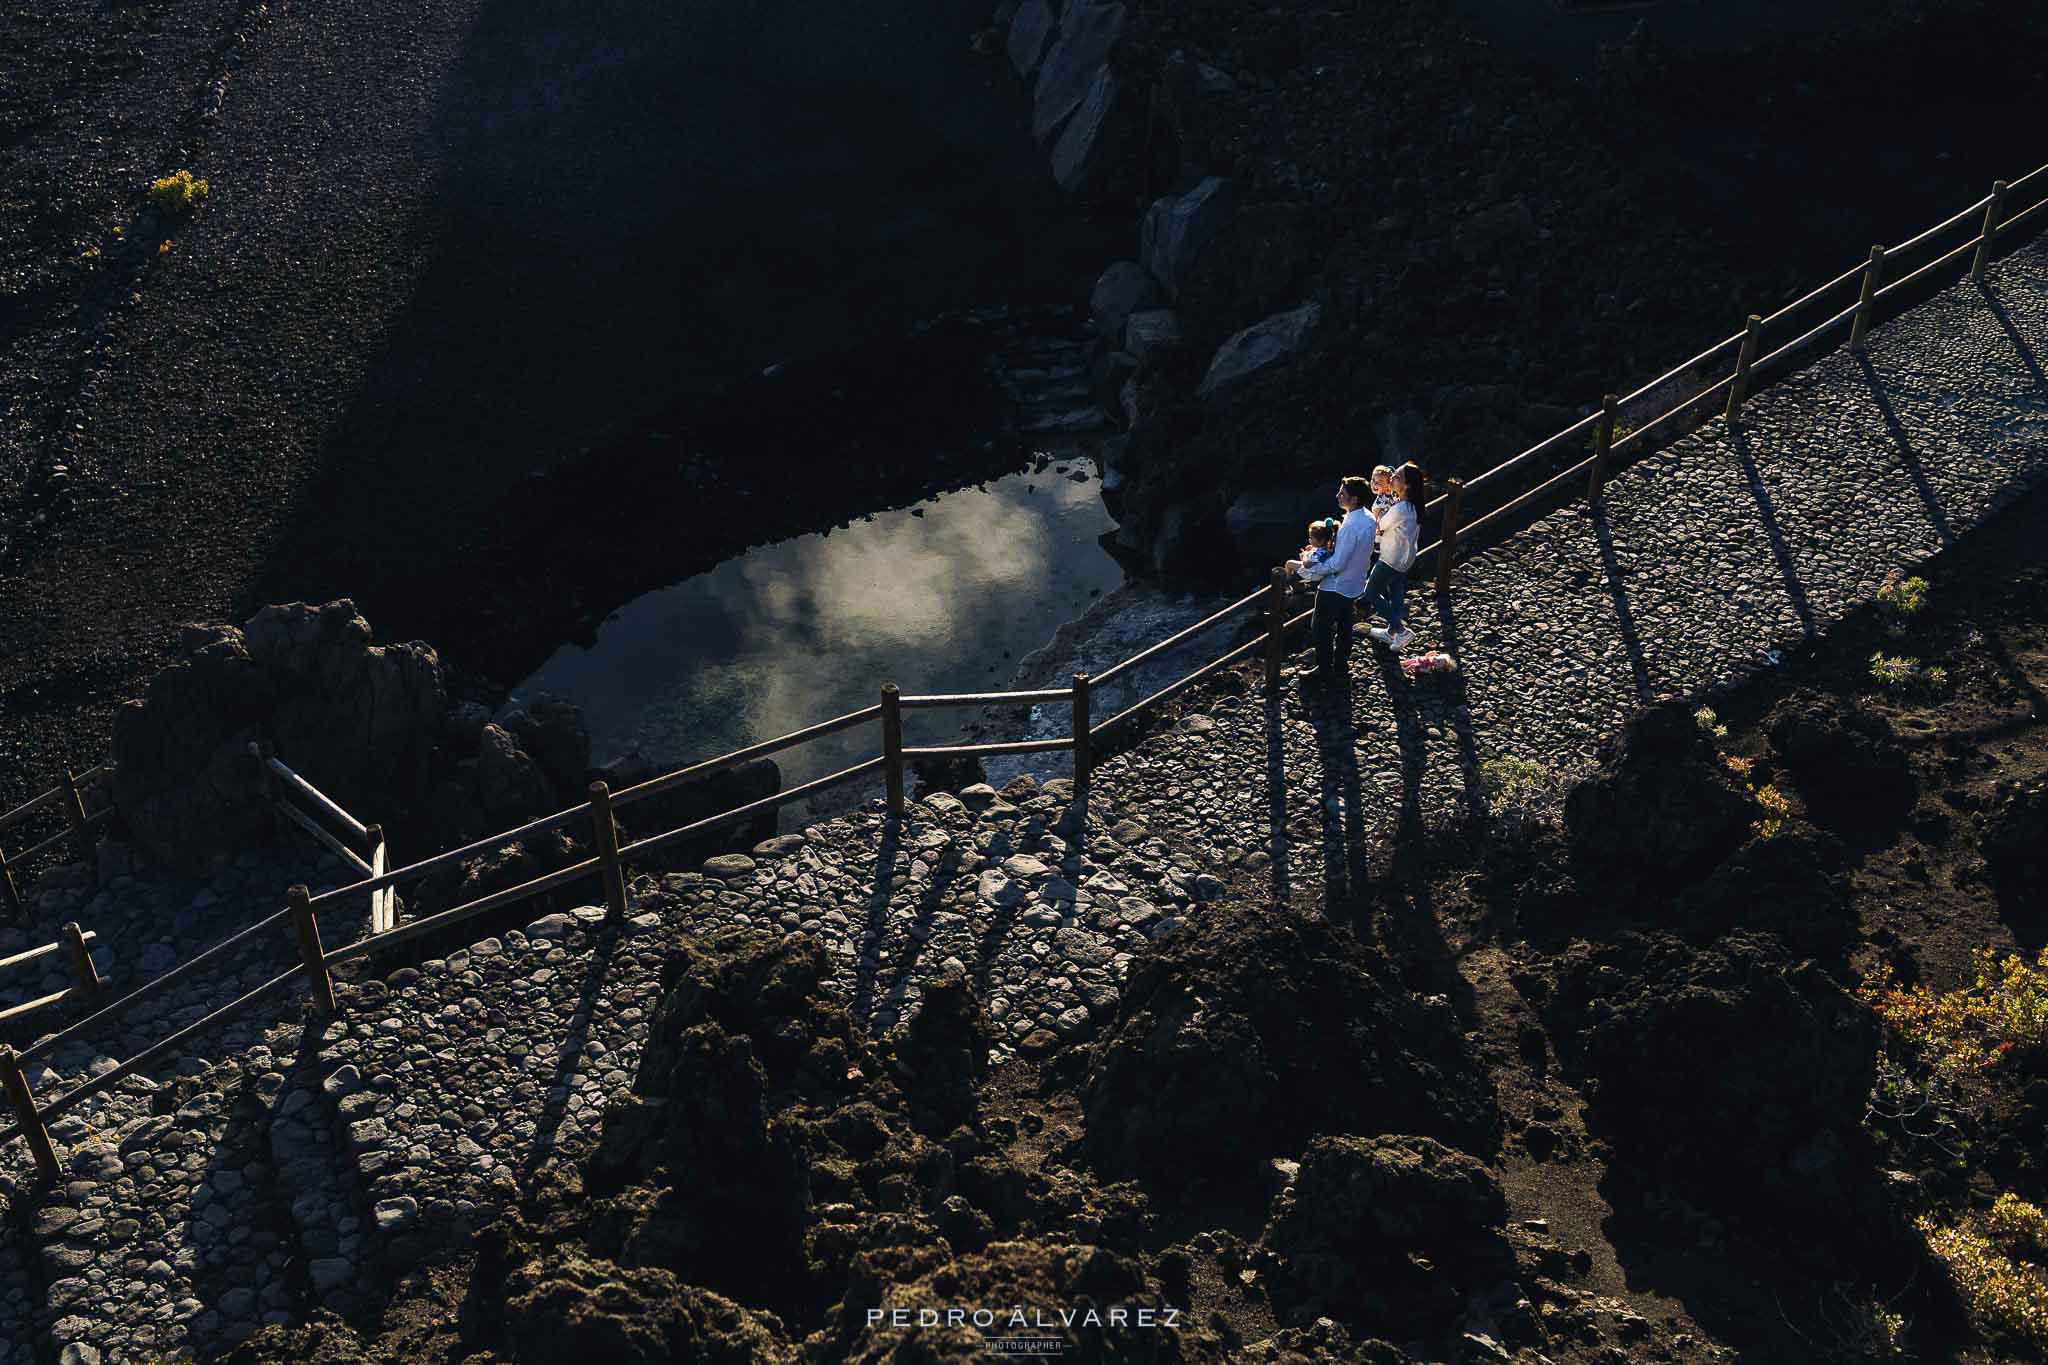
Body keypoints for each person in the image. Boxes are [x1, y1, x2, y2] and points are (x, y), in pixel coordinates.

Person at [1284, 475, 1374, 691]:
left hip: (1336, 586)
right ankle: (1340, 666)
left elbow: (1337, 564)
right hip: (1355, 583)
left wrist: (1305, 568)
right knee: (1345, 627)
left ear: (1353, 499)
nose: (1337, 495)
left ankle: (1324, 671)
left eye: (1342, 493)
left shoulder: (1350, 526)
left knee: (1320, 627)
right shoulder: (1369, 518)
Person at [1363, 462, 1428, 651]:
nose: (1392, 479)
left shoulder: (1400, 509)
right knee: (1396, 594)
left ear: (1406, 486)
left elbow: (1380, 526)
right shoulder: (1413, 506)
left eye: (1397, 477)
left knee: (1371, 592)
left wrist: (1377, 517)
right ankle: (1391, 631)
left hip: (1390, 559)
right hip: (1405, 560)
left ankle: (1401, 631)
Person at [1296, 517, 1338, 583]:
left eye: (1312, 538)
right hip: (1317, 572)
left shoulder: (1319, 553)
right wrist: (1312, 548)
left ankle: (1290, 585)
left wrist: (1303, 556)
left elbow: (1306, 565)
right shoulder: (1327, 547)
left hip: (1314, 574)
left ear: (1321, 540)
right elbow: (1319, 548)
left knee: (1289, 563)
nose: (1310, 540)